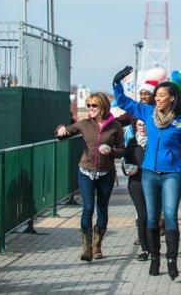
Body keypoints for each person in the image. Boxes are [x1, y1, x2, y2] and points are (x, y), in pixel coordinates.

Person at [113, 66, 181, 280]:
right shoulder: (147, 113)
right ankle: (155, 258)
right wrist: (117, 83)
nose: (157, 98)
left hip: (171, 175)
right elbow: (124, 103)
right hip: (148, 174)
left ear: (172, 99)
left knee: (171, 217)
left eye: (161, 95)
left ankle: (172, 260)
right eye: (156, 95)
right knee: (152, 219)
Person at [55, 92, 124, 262]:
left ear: (103, 106)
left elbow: (122, 150)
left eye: (94, 105)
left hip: (106, 173)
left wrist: (112, 151)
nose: (91, 108)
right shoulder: (84, 124)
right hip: (86, 171)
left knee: (102, 208)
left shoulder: (115, 126)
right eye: (89, 105)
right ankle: (86, 248)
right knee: (88, 208)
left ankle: (97, 245)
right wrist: (60, 128)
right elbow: (64, 133)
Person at [122, 119, 150, 261]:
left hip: (153, 184)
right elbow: (125, 161)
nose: (143, 127)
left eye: (145, 124)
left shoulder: (154, 140)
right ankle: (145, 250)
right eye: (140, 125)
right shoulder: (132, 142)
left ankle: (153, 247)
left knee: (152, 217)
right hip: (136, 184)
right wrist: (127, 169)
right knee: (142, 216)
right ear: (135, 127)